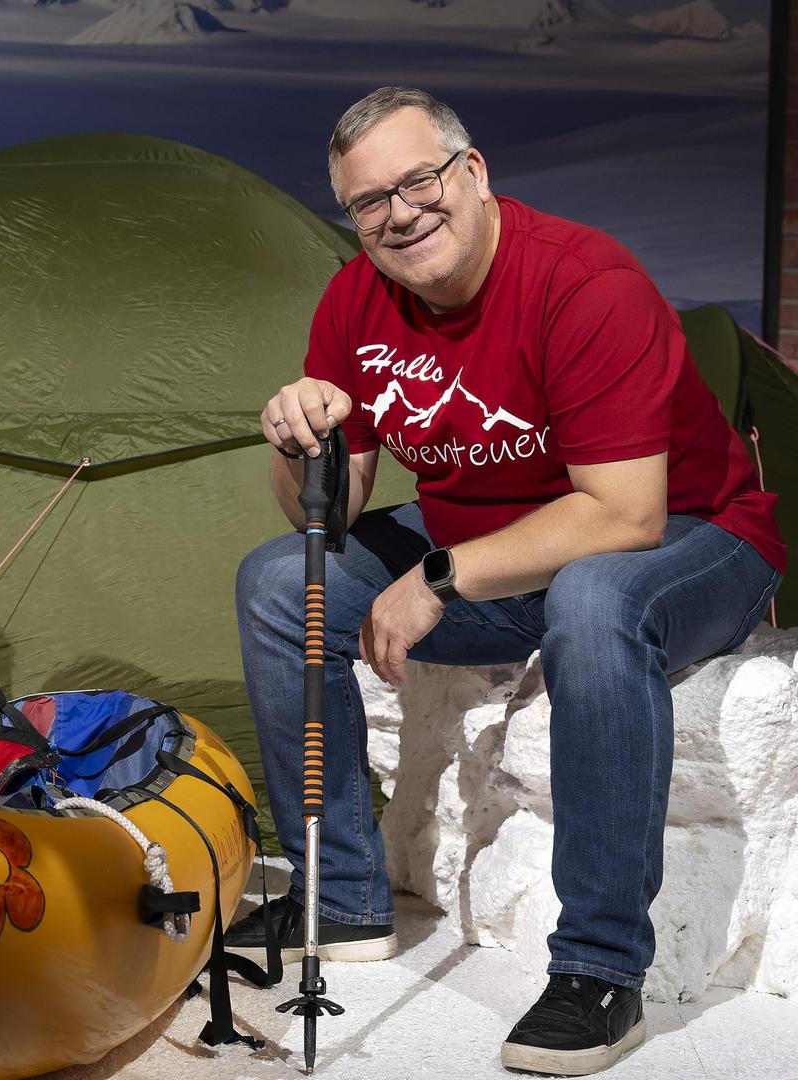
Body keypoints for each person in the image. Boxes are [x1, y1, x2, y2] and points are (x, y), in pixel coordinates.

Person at [229, 86, 783, 1076]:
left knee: (596, 597)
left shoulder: (583, 280)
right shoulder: (357, 300)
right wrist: (303, 435)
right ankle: (343, 897)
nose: (400, 213)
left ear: (472, 175)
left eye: (419, 180)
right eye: (368, 203)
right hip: (496, 549)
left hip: (695, 540)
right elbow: (330, 517)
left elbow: (624, 516)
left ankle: (600, 971)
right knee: (278, 584)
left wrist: (441, 576)